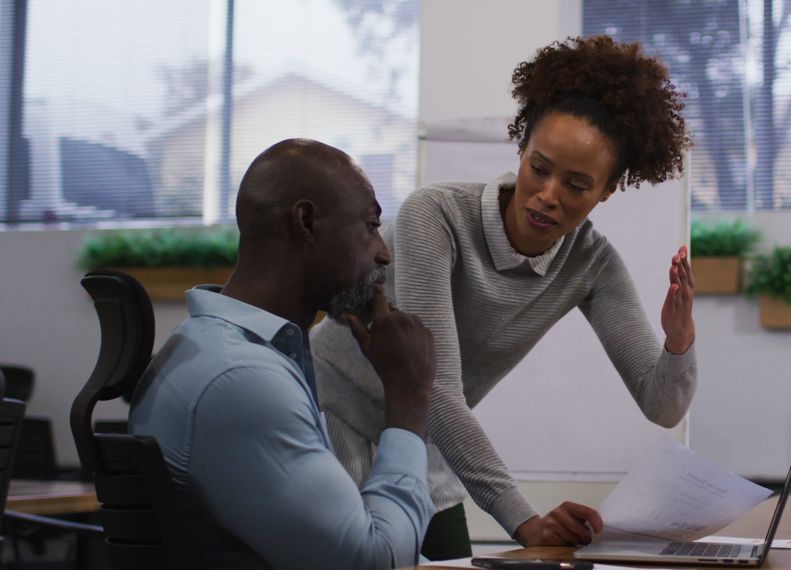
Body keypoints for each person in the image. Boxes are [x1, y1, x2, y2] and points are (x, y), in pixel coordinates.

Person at [311, 35, 696, 555]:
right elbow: (441, 389)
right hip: (332, 413)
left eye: (577, 185)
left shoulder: (593, 265)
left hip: (422, 435)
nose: (548, 195)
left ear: (607, 190)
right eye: (539, 167)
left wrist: (678, 343)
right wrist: (525, 523)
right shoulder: (437, 216)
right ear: (521, 148)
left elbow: (663, 404)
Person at [129, 139, 436, 569]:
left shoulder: (219, 350)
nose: (383, 252)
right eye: (370, 226)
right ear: (306, 222)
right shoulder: (240, 379)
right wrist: (407, 397)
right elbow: (373, 562)